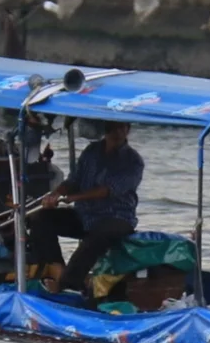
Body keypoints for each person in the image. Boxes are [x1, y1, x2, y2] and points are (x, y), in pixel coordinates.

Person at [27, 120, 144, 294]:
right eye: (114, 127)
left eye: (123, 127)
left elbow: (108, 190)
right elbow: (74, 180)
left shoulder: (133, 161)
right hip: (86, 215)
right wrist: (56, 194)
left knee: (97, 237)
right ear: (106, 129)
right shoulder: (91, 151)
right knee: (39, 219)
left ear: (127, 130)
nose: (118, 132)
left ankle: (68, 285)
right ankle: (56, 271)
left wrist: (74, 197)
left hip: (118, 218)